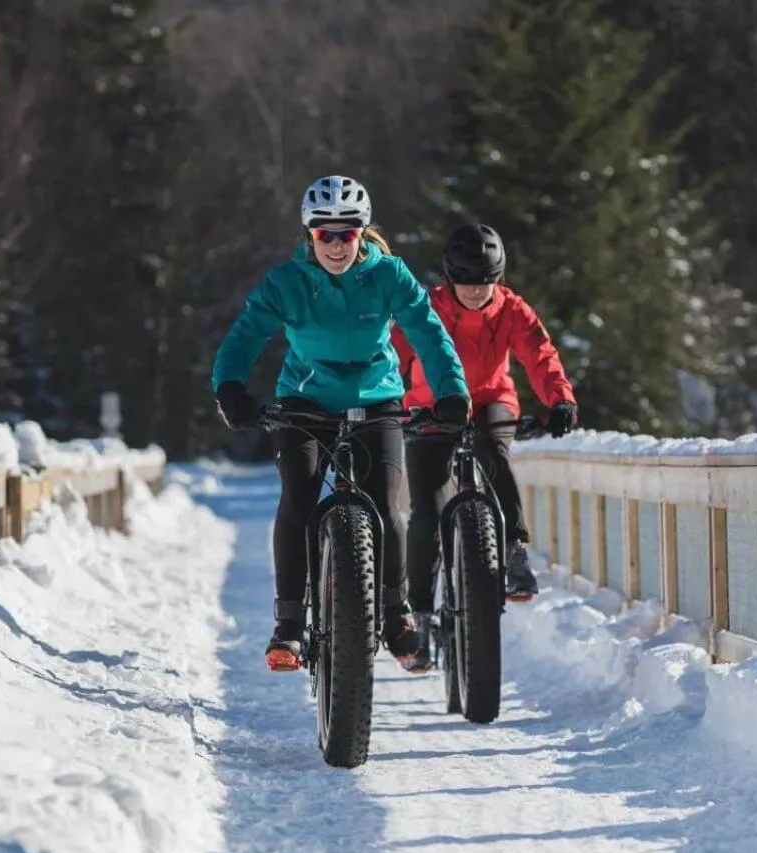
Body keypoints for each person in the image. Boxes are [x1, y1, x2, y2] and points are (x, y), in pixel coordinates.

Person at [212, 174, 471, 672]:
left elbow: (428, 332)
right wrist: (230, 387)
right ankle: (288, 624)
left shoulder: (390, 276)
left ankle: (395, 616)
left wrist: (451, 391)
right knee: (299, 496)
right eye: (324, 234)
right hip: (305, 403)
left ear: (363, 232)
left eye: (346, 233)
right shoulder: (287, 282)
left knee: (387, 506)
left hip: (378, 400)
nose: (335, 245)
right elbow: (246, 335)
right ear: (309, 235)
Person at [391, 222, 578, 670]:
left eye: (486, 284)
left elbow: (540, 355)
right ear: (449, 278)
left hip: (491, 400)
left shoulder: (512, 309)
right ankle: (417, 610)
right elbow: (392, 354)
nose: (477, 293)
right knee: (427, 509)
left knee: (495, 453)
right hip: (431, 407)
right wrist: (387, 405)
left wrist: (561, 401)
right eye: (467, 284)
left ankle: (514, 551)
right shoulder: (427, 308)